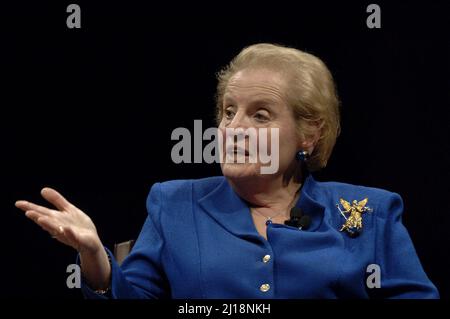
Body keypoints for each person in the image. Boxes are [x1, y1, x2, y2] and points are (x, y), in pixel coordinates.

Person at [15, 43, 439, 298]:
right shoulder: (174, 203)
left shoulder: (372, 213)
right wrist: (94, 257)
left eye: (260, 115)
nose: (233, 129)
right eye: (228, 111)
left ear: (309, 133)